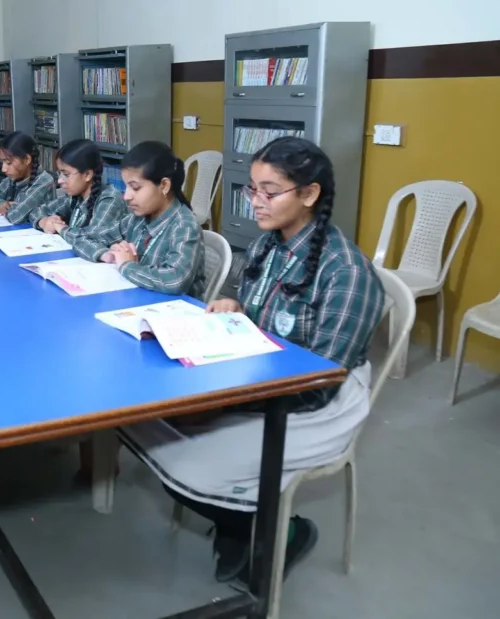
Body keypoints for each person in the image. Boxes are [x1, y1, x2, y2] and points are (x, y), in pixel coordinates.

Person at [121, 137, 385, 587]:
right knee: (136, 421)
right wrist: (231, 307)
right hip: (254, 372)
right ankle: (241, 521)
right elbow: (245, 300)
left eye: (270, 191)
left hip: (317, 402)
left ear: (309, 194)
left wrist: (225, 401)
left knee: (186, 466)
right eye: (252, 190)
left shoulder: (346, 273)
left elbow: (318, 382)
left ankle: (280, 529)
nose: (257, 203)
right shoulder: (268, 244)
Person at [84, 141, 206, 297]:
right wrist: (105, 254)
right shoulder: (137, 219)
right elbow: (86, 236)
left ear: (164, 186)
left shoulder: (184, 226)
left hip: (173, 314)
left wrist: (127, 265)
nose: (126, 196)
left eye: (135, 188)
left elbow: (175, 281)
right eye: (126, 187)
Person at [28, 138, 128, 259]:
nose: (59, 180)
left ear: (87, 175)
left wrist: (60, 228)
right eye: (59, 173)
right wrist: (44, 221)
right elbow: (36, 211)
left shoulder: (110, 200)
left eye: (66, 174)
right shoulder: (74, 195)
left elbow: (92, 236)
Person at [0, 131, 56, 223]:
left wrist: (9, 207)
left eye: (8, 163)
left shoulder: (44, 181)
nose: (3, 169)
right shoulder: (14, 178)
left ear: (27, 159)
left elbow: (15, 215)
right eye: (2, 162)